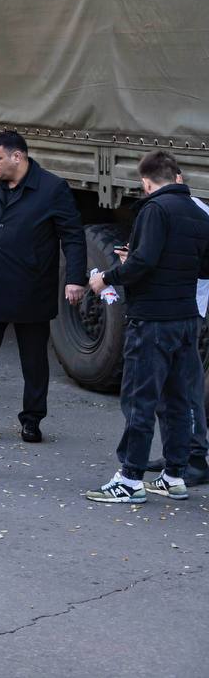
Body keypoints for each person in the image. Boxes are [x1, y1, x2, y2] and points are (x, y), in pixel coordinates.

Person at [0, 131, 86, 444]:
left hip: (31, 289)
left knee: (33, 361)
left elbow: (73, 236)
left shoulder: (52, 189)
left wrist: (76, 278)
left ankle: (32, 420)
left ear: (17, 157)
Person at [85, 151, 209, 503]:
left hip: (153, 319)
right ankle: (174, 475)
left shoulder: (154, 210)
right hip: (186, 319)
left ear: (146, 182)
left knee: (140, 398)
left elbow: (143, 263)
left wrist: (107, 276)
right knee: (176, 399)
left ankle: (130, 478)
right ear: (178, 177)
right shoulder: (198, 213)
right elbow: (204, 267)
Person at [143, 171, 209, 487]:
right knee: (167, 390)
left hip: (185, 309)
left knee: (184, 389)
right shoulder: (164, 209)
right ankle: (176, 454)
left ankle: (194, 458)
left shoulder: (194, 211)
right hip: (175, 308)